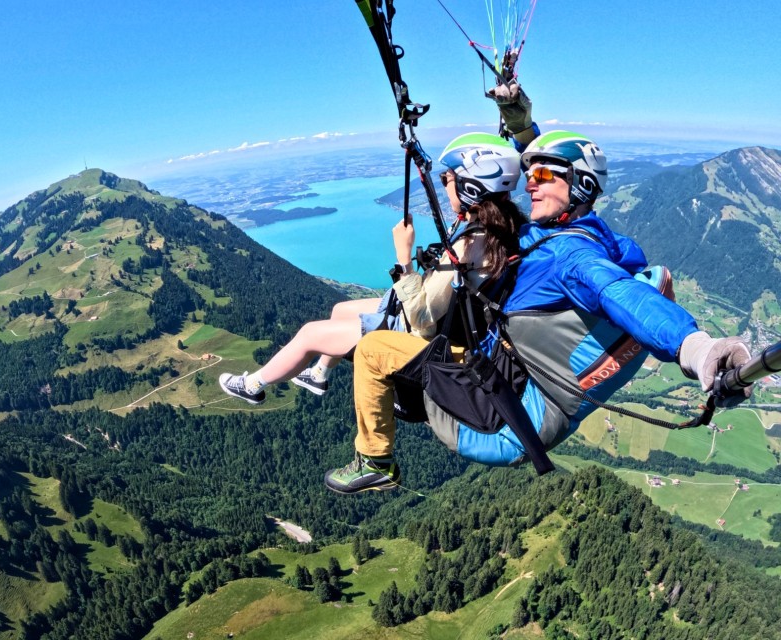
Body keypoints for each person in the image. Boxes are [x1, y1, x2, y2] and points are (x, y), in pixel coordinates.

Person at [324, 128, 753, 495]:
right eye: (528, 174)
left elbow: (621, 294)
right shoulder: (575, 231)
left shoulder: (571, 257)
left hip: (495, 420)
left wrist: (696, 348)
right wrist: (520, 121)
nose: (530, 184)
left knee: (374, 349)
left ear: (580, 183)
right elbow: (533, 184)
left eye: (543, 175)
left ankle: (375, 462)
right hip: (505, 387)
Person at [217, 133, 526, 405]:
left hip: (422, 335)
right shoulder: (505, 229)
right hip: (443, 317)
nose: (444, 185)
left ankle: (252, 386)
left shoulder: (470, 246)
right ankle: (318, 375)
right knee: (339, 309)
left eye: (447, 179)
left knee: (310, 334)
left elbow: (420, 320)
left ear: (471, 187)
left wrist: (404, 258)